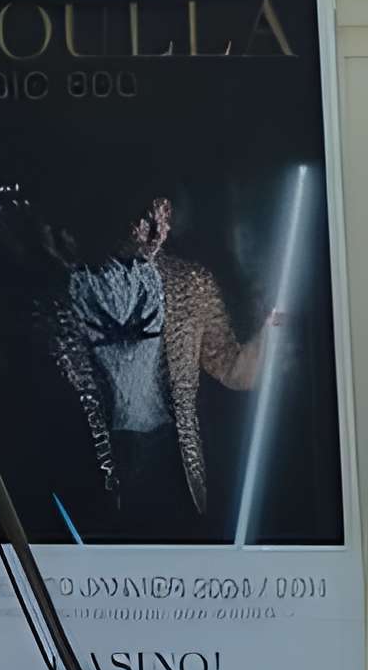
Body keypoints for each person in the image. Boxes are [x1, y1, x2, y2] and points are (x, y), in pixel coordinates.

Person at [41, 192, 276, 536]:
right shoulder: (62, 290)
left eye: (156, 213)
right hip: (84, 478)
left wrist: (273, 328)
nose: (143, 227)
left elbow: (233, 370)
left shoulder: (188, 283)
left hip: (171, 466)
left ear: (164, 216)